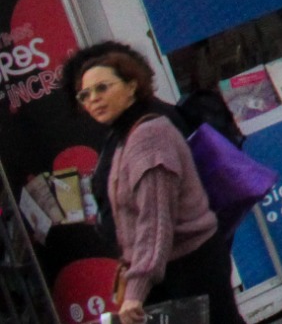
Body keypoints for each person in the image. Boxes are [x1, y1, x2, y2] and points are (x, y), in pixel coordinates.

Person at [67, 43, 243, 324]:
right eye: (85, 95)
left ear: (131, 86)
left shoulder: (148, 136)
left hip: (189, 270)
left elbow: (156, 221)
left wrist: (136, 290)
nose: (93, 99)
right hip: (172, 271)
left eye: (103, 88)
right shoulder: (124, 135)